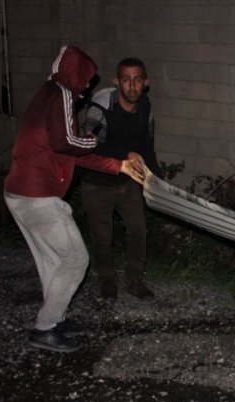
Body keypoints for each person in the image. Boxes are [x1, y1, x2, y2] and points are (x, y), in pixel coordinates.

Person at [4, 46, 144, 353]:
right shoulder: (63, 93)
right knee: (76, 259)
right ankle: (44, 329)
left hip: (20, 191)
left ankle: (55, 320)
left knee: (53, 261)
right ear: (77, 73)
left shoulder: (48, 94)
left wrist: (118, 165)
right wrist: (94, 139)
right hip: (37, 195)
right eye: (87, 78)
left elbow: (70, 154)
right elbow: (67, 142)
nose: (88, 85)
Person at [80, 57, 164, 305]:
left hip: (126, 182)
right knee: (102, 236)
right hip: (96, 183)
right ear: (116, 81)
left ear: (146, 82)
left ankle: (134, 279)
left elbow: (147, 147)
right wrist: (125, 154)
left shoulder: (146, 108)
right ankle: (107, 280)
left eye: (137, 79)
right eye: (126, 79)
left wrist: (157, 179)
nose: (132, 85)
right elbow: (90, 147)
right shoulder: (102, 106)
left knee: (138, 230)